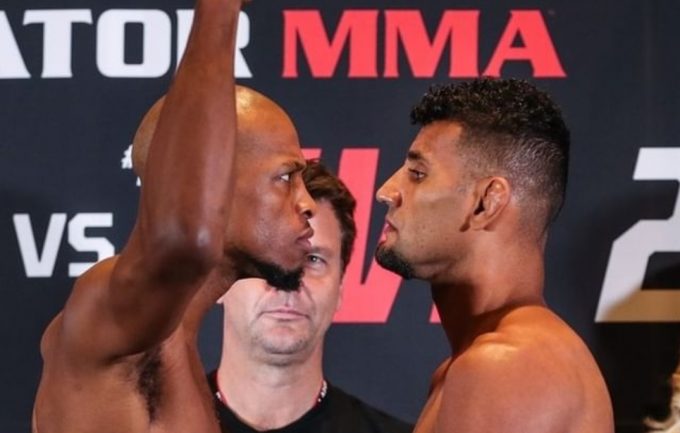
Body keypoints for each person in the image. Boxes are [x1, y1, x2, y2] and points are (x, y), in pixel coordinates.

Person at [31, 1, 317, 432]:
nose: (307, 202)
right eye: (285, 177)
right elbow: (184, 239)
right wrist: (220, 10)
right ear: (211, 185)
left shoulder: (179, 349)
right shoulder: (106, 309)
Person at [374, 78, 615, 433]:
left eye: (418, 174)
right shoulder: (477, 365)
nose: (386, 191)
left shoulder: (506, 364)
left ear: (487, 202)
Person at [206, 160, 413, 433]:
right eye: (266, 256)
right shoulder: (155, 425)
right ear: (221, 279)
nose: (288, 281)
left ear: (340, 287)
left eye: (313, 259)